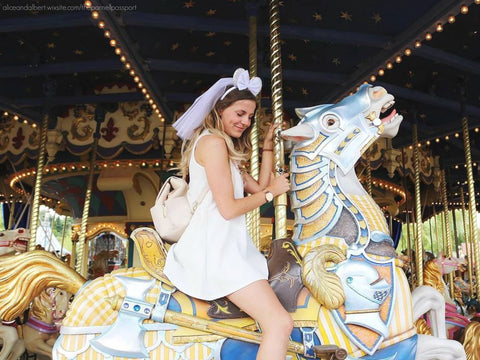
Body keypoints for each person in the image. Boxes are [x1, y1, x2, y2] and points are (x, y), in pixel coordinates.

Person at [164, 68, 293, 359]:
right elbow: (229, 208)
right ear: (220, 110)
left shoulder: (224, 148)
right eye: (239, 113)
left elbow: (257, 186)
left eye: (249, 117)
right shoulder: (213, 144)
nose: (245, 122)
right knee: (280, 323)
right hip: (216, 250)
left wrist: (268, 144)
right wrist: (272, 193)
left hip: (228, 246)